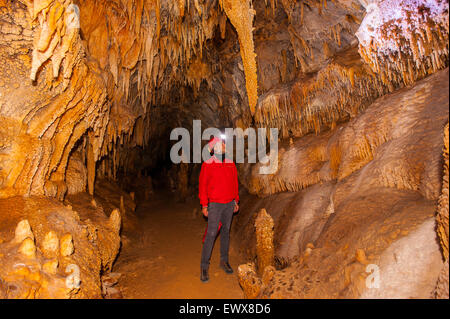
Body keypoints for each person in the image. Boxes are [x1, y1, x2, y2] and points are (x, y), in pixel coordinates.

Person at [199, 134, 239, 283]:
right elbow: (203, 186)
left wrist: (236, 200)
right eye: (221, 144)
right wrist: (204, 204)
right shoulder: (207, 164)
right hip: (215, 204)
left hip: (229, 203)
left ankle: (224, 260)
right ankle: (204, 266)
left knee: (225, 232)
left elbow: (235, 182)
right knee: (211, 234)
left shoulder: (230, 163)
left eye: (223, 143)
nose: (224, 145)